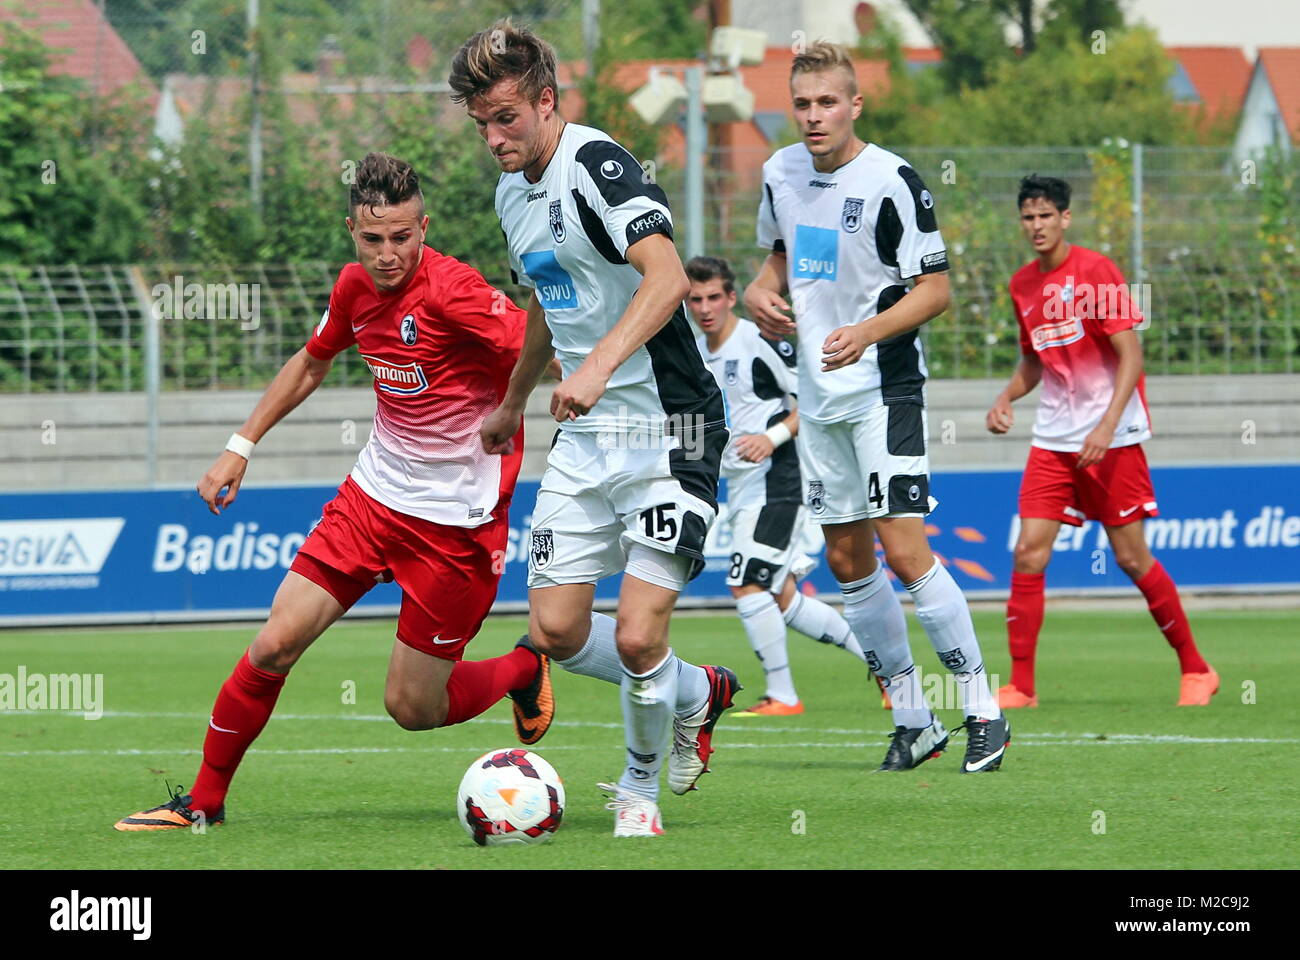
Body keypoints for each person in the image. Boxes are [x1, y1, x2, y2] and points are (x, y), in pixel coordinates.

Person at [114, 153, 552, 830]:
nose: (387, 255)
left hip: (455, 527)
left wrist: (528, 398)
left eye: (403, 238)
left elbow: (546, 344)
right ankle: (200, 804)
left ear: (423, 227)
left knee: (413, 710)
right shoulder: (353, 289)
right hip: (372, 501)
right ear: (352, 230)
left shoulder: (455, 292)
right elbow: (311, 364)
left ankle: (522, 666)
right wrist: (240, 446)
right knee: (272, 646)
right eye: (373, 239)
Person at [450, 20, 740, 837]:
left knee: (642, 633)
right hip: (586, 434)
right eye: (482, 124)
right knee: (558, 629)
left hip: (668, 426)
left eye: (507, 117)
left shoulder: (597, 165)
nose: (495, 136)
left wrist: (597, 367)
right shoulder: (512, 194)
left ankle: (638, 788)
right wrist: (512, 400)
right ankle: (697, 692)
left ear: (548, 101)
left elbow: (669, 276)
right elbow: (551, 298)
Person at [743, 41, 1009, 773]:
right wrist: (758, 293)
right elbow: (778, 259)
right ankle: (915, 717)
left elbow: (936, 290)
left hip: (883, 389)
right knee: (846, 557)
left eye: (828, 102)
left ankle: (983, 706)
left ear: (855, 104)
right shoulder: (780, 172)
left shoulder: (893, 180)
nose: (814, 116)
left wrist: (867, 331)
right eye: (802, 104)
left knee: (903, 549)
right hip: (817, 395)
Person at [987, 174, 1217, 708]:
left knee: (1132, 558)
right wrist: (1006, 397)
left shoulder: (1096, 271)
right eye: (1028, 217)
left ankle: (1197, 669)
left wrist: (1108, 424)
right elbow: (1032, 360)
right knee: (1027, 553)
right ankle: (1022, 686)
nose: (1037, 225)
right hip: (1052, 440)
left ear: (1065, 218)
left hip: (1111, 438)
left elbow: (1131, 353)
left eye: (1047, 216)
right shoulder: (1022, 285)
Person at [685, 254, 890, 715]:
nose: (704, 307)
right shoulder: (697, 353)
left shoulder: (757, 340)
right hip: (742, 488)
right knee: (779, 594)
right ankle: (888, 667)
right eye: (695, 299)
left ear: (732, 297)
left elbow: (811, 399)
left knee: (747, 584)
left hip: (783, 478)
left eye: (713, 296)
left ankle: (783, 695)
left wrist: (771, 436)